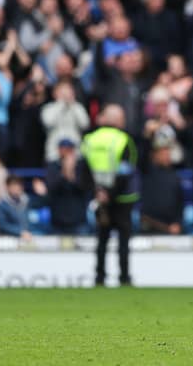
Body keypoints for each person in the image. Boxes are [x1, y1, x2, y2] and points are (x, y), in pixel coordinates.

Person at [81, 105, 138, 286]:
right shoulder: (123, 140)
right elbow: (126, 171)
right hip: (122, 198)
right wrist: (110, 193)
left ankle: (99, 277)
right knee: (123, 241)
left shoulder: (90, 140)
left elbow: (83, 170)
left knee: (102, 239)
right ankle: (124, 277)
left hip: (98, 197)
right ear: (119, 121)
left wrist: (98, 192)